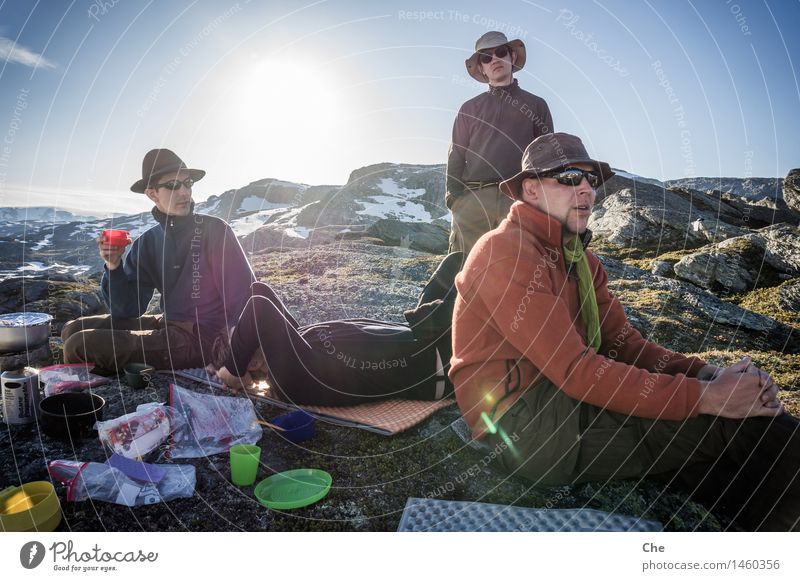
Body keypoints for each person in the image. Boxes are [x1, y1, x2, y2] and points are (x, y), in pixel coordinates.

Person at [449, 132, 800, 531]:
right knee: (751, 425)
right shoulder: (506, 251)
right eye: (568, 177)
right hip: (527, 427)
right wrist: (706, 398)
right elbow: (576, 371)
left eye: (590, 180)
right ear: (530, 190)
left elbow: (623, 344)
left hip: (563, 401)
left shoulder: (581, 259)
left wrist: (709, 375)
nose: (585, 189)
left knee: (738, 447)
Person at [62, 149, 256, 372]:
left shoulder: (215, 230)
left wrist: (235, 357)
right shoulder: (148, 242)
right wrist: (114, 266)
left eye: (188, 183)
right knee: (71, 329)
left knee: (79, 345)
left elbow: (245, 295)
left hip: (203, 338)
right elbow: (129, 309)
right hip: (168, 323)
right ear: (152, 194)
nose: (184, 192)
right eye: (173, 185)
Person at [208, 253, 464, 406]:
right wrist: (232, 369)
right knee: (476, 275)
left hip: (425, 332)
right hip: (441, 362)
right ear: (249, 363)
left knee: (458, 259)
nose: (243, 328)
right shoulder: (292, 378)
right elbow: (258, 308)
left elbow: (259, 289)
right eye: (242, 334)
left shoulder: (297, 348)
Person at [446, 31, 553, 256]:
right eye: (486, 57)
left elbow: (547, 157)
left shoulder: (537, 105)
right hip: (473, 200)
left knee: (517, 267)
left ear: (512, 57)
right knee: (464, 267)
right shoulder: (469, 108)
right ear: (482, 67)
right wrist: (455, 199)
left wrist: (541, 201)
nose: (494, 59)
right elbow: (456, 154)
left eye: (500, 52)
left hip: (518, 200)